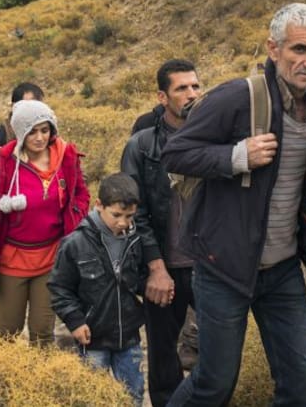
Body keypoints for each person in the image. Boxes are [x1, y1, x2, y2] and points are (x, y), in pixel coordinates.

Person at [162, 3, 306, 406]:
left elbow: (303, 175)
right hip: (223, 268)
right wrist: (235, 156)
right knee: (214, 384)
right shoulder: (239, 96)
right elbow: (175, 153)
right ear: (273, 48)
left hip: (282, 269)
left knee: (301, 381)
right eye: (299, 49)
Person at [120, 58, 202, 406]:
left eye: (196, 86)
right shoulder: (141, 146)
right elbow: (132, 214)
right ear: (162, 96)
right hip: (162, 266)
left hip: (209, 264)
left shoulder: (215, 138)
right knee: (164, 356)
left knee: (218, 353)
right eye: (181, 88)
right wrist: (155, 267)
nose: (191, 94)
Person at [0, 100, 90, 345]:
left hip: (51, 258)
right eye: (32, 131)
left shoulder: (66, 157)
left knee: (42, 331)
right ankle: (2, 379)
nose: (39, 138)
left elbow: (81, 193)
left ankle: (42, 381)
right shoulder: (2, 165)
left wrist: (75, 219)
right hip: (12, 260)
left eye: (45, 130)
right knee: (8, 330)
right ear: (20, 132)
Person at [49, 173, 147, 406]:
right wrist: (75, 321)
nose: (123, 222)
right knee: (92, 398)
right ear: (99, 206)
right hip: (91, 337)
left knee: (133, 395)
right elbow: (59, 288)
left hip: (129, 337)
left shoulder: (136, 240)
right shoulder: (75, 243)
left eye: (129, 216)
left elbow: (139, 278)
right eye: (116, 215)